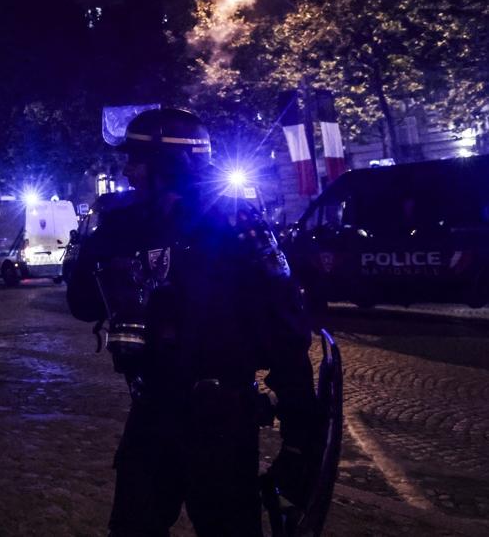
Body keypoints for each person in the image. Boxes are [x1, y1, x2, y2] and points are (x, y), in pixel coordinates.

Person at [66, 108, 320, 536]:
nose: (127, 170)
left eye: (137, 159)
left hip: (220, 420)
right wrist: (94, 248)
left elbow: (286, 334)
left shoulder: (238, 227)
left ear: (170, 164)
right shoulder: (126, 225)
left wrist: (300, 439)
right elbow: (83, 303)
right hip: (153, 411)